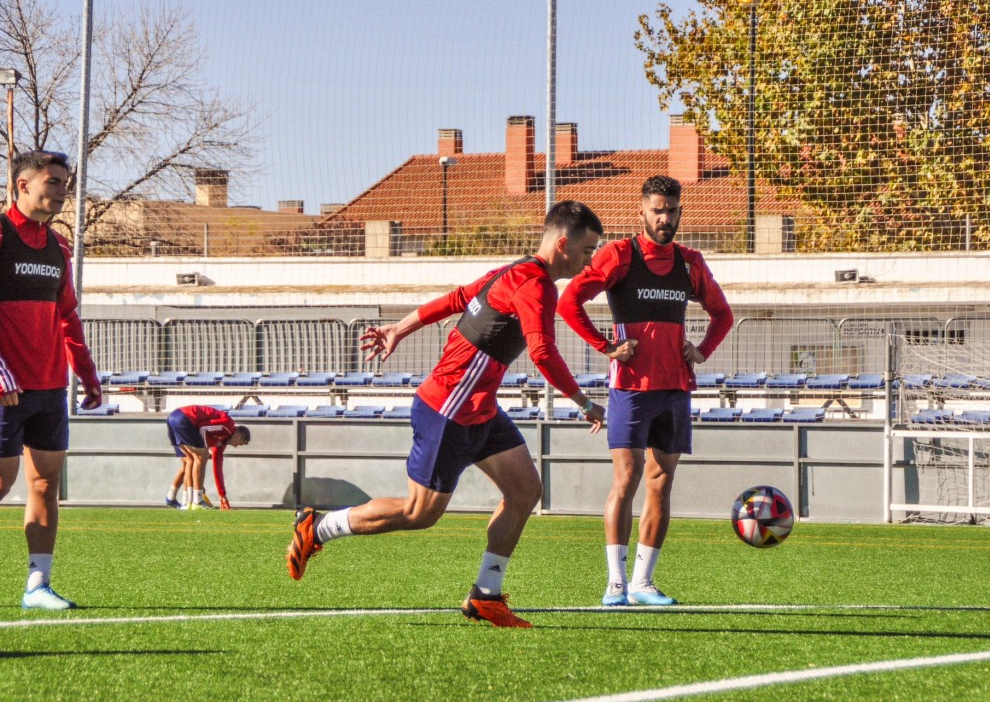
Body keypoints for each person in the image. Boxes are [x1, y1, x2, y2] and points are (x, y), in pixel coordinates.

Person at [285, 200, 607, 628]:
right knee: (420, 514)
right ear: (563, 244)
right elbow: (543, 352)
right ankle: (317, 527)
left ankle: (485, 595)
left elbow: (456, 298)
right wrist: (584, 403)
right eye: (586, 251)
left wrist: (399, 327)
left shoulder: (512, 272)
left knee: (525, 490)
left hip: (480, 409)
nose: (588, 262)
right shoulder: (536, 285)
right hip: (449, 407)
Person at [558, 175, 733, 607]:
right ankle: (615, 583)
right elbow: (568, 303)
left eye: (672, 210)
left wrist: (703, 350)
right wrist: (606, 346)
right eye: (658, 209)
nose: (665, 218)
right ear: (642, 211)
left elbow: (722, 315)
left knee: (661, 482)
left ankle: (642, 582)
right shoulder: (620, 255)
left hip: (675, 387)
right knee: (627, 478)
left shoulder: (690, 262)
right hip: (630, 389)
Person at [0, 150, 102, 611]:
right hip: (4, 389)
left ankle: (37, 586)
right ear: (23, 185)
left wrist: (87, 374)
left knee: (45, 485)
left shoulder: (59, 247)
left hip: (48, 389)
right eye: (55, 182)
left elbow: (67, 315)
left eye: (64, 183)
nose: (63, 191)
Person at [164, 405, 250, 510]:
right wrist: (205, 450)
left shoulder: (221, 442)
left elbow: (217, 468)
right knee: (201, 457)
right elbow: (202, 428)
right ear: (239, 436)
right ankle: (197, 500)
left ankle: (177, 499)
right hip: (185, 418)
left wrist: (222, 494)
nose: (236, 446)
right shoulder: (228, 426)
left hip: (173, 418)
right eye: (240, 443)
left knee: (189, 461)